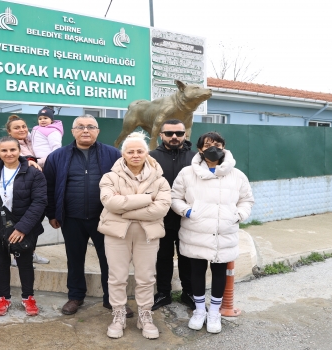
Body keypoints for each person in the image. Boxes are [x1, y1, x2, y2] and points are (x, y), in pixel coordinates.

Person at [43, 114, 134, 317]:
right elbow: (48, 186)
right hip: (71, 218)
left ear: (97, 131)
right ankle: (75, 296)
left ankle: (113, 299)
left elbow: (127, 183)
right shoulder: (57, 156)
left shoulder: (113, 155)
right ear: (73, 131)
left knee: (110, 260)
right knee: (74, 259)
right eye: (81, 127)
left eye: (91, 126)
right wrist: (52, 213)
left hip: (105, 218)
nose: (86, 130)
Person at [171, 131, 254, 334]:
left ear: (224, 147)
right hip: (196, 231)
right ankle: (200, 310)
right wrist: (188, 211)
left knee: (219, 274)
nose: (213, 148)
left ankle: (214, 312)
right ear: (200, 149)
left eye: (218, 144)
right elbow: (175, 198)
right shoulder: (186, 173)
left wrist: (238, 214)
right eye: (208, 144)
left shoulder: (237, 175)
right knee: (196, 273)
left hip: (223, 233)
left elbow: (247, 200)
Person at [98, 132, 171, 339]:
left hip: (147, 235)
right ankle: (118, 315)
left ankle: (145, 315)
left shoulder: (160, 180)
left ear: (147, 153)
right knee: (117, 277)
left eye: (140, 151)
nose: (136, 155)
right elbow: (110, 203)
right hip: (116, 234)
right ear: (123, 154)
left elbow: (161, 209)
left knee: (146, 278)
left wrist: (126, 208)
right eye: (131, 151)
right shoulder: (110, 177)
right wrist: (147, 199)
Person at [0, 136, 47, 316]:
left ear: (20, 151)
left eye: (13, 150)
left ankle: (28, 297)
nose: (9, 153)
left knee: (24, 262)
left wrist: (22, 228)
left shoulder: (33, 172)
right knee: (0, 261)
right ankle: (4, 297)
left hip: (22, 225)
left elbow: (39, 202)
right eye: (4, 150)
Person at [149, 119, 197, 311]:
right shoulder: (151, 158)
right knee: (163, 257)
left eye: (179, 133)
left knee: (188, 258)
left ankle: (190, 293)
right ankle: (163, 293)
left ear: (185, 135)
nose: (174, 137)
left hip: (188, 218)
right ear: (161, 136)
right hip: (161, 218)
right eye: (169, 133)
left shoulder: (196, 159)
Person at [6, 114, 50, 265]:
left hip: (38, 188)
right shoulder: (11, 145)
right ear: (9, 132)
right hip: (22, 190)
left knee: (35, 223)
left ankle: (31, 252)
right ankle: (17, 255)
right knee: (20, 223)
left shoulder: (32, 141)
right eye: (16, 128)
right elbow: (13, 159)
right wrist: (28, 161)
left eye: (24, 126)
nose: (22, 129)